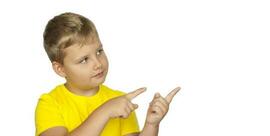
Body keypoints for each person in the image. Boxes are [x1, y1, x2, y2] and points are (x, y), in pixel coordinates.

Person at [35, 12, 180, 136]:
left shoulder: (119, 100)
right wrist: (105, 111)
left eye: (99, 51)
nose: (98, 63)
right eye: (84, 60)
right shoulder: (50, 103)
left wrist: (151, 125)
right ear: (60, 69)